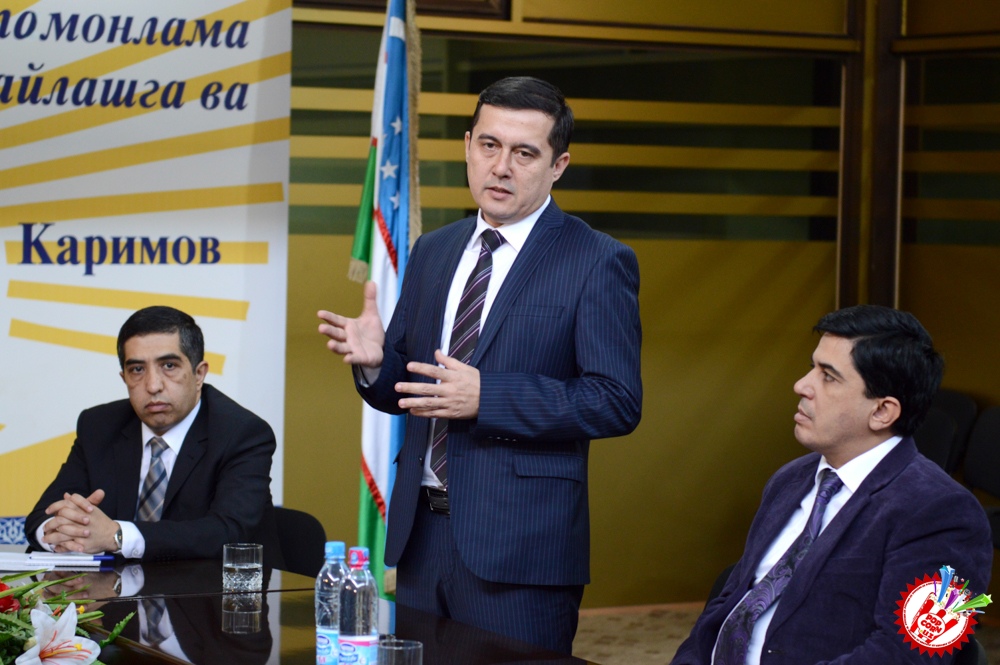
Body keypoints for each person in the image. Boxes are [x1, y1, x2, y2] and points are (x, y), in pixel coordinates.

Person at [318, 76, 642, 653]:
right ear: (468, 146)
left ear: (558, 165)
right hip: (421, 539)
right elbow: (411, 389)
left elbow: (615, 401)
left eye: (525, 153)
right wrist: (376, 365)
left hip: (522, 551)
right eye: (489, 145)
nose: (501, 167)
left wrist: (487, 397)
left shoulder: (597, 260)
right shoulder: (434, 250)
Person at [671, 305, 992, 665]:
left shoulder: (943, 512)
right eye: (812, 367)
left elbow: (910, 656)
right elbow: (730, 602)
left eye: (828, 376)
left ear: (882, 411)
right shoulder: (790, 479)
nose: (801, 385)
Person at [26, 306, 282, 564]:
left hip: (210, 587)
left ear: (199, 374)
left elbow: (228, 533)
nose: (153, 386)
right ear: (124, 377)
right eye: (137, 370)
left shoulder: (242, 434)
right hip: (118, 587)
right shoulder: (99, 426)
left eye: (169, 366)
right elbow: (41, 517)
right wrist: (65, 532)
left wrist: (117, 536)